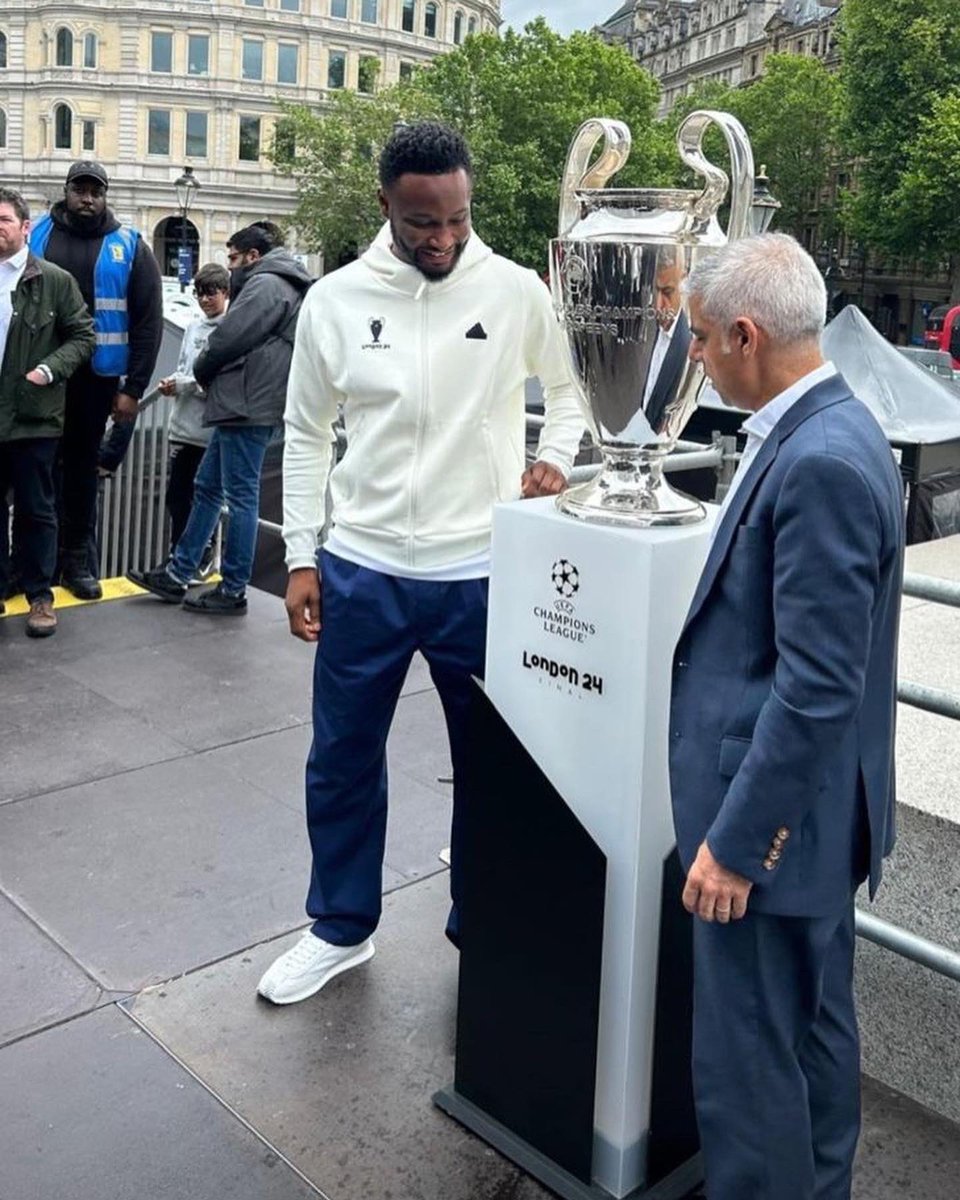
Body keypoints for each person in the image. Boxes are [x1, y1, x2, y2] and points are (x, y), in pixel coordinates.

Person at [256, 120, 585, 1005]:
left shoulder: (515, 290)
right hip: (362, 565)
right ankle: (339, 927)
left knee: (490, 764)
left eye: (456, 219)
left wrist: (553, 453)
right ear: (385, 207)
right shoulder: (332, 299)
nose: (441, 239)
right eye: (420, 223)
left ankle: (483, 927)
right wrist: (300, 556)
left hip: (479, 570)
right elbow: (304, 433)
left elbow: (571, 387)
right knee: (342, 754)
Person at [669, 233, 904, 1200]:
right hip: (804, 833)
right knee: (807, 1047)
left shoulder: (820, 463)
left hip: (773, 840)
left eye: (699, 340)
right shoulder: (836, 435)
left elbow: (816, 687)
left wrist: (734, 843)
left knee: (751, 1076)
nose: (695, 358)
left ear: (745, 335)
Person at [128, 224, 312, 613]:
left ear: (252, 255)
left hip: (245, 403)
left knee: (239, 496)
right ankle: (178, 574)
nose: (229, 267)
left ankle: (232, 588)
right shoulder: (283, 283)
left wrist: (203, 367)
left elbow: (229, 336)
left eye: (233, 258)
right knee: (208, 487)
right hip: (246, 401)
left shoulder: (266, 284)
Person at [28, 159, 163, 599]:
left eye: (95, 191)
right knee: (37, 468)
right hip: (41, 376)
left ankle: (75, 561)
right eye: (80, 189)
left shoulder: (130, 244)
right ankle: (35, 564)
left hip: (97, 378)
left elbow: (148, 323)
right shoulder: (38, 236)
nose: (87, 198)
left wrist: (133, 388)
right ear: (66, 191)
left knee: (83, 471)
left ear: (105, 196)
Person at [0, 188, 96, 636]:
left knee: (38, 509)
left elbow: (83, 336)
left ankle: (40, 595)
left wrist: (49, 370)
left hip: (33, 417)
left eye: (3, 219)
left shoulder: (54, 281)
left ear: (24, 228)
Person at [157, 263, 230, 555]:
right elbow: (186, 369)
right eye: (200, 294)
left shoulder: (230, 329)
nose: (204, 300)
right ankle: (180, 554)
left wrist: (183, 385)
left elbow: (218, 383)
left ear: (226, 293)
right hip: (183, 428)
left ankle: (200, 554)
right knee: (177, 497)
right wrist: (172, 381)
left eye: (211, 294)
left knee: (203, 498)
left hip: (209, 432)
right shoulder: (192, 326)